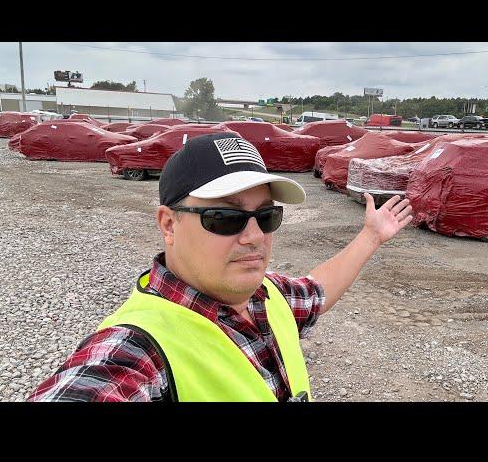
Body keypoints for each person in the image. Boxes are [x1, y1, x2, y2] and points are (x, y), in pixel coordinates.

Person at [28, 131, 413, 402]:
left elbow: (317, 291)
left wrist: (370, 237)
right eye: (224, 218)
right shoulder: (138, 350)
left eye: (266, 216)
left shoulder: (267, 297)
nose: (253, 237)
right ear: (168, 224)